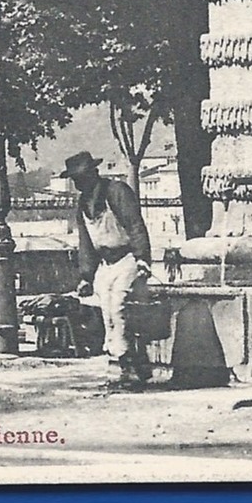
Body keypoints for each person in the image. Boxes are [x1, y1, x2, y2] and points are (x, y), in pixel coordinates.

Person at [63, 151, 153, 389]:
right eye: (75, 179)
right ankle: (125, 365)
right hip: (106, 263)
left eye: (81, 177)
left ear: (94, 173)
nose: (79, 183)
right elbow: (85, 241)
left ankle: (133, 364)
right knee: (106, 314)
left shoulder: (117, 191)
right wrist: (86, 275)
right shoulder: (83, 204)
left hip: (127, 258)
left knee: (119, 307)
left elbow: (135, 224)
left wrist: (143, 258)